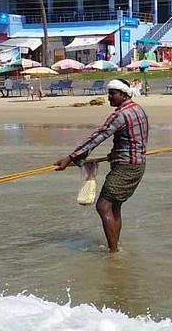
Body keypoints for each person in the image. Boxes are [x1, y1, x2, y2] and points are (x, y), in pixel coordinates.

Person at [55, 79, 148, 252]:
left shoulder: (120, 114)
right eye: (109, 93)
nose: (109, 97)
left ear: (123, 94)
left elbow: (98, 137)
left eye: (113, 93)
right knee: (115, 206)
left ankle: (113, 253)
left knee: (103, 206)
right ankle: (116, 246)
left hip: (126, 167)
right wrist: (116, 153)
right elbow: (135, 140)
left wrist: (71, 157)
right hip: (137, 165)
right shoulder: (138, 109)